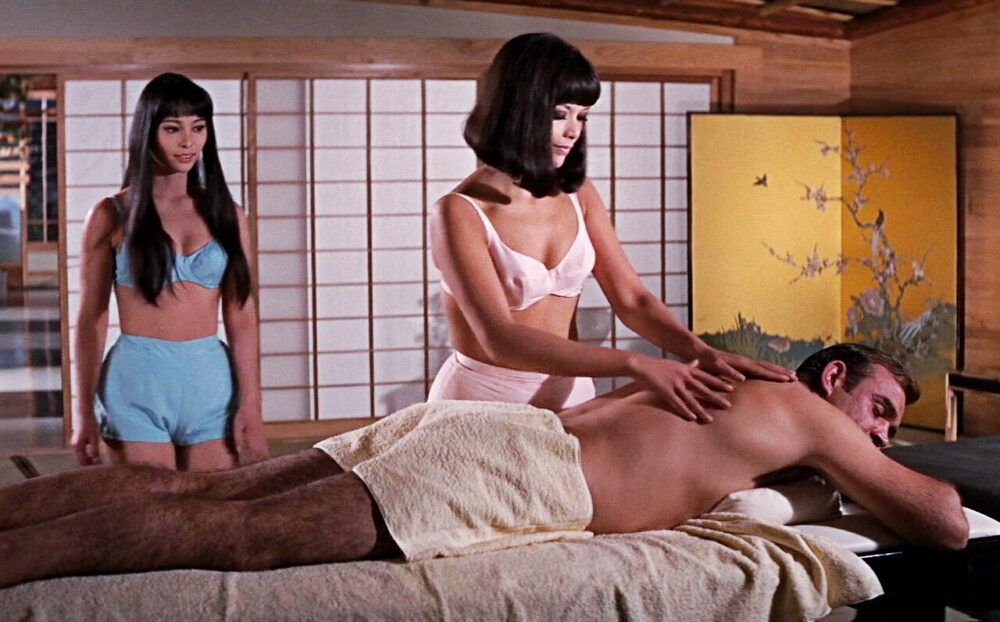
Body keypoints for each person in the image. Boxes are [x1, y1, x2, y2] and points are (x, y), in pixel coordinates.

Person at [0, 344, 968, 588]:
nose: (881, 435)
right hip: (517, 471)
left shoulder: (739, 378)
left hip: (476, 428)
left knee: (203, 489)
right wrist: (854, 467)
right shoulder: (809, 414)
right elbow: (947, 521)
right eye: (881, 410)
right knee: (239, 533)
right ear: (835, 377)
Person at [429, 33, 793, 420]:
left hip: (572, 396)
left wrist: (703, 353)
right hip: (482, 403)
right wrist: (636, 363)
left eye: (582, 116)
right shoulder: (459, 212)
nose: (573, 131)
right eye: (560, 114)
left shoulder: (578, 193)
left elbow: (632, 299)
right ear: (518, 111)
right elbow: (500, 339)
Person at [71, 72, 268, 471]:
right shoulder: (111, 214)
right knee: (151, 506)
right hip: (135, 382)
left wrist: (252, 404)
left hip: (210, 382)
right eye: (173, 129)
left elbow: (241, 316)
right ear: (148, 132)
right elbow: (92, 318)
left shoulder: (229, 215)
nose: (188, 141)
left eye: (199, 128)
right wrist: (84, 413)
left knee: (212, 506)